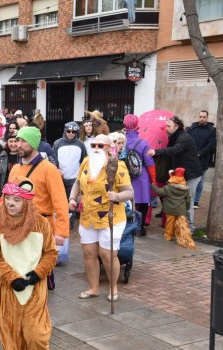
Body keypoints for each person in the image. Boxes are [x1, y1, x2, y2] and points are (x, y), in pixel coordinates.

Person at [0, 179, 58, 350]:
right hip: (8, 290)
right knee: (12, 336)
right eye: (8, 199)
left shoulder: (40, 223)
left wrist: (37, 273)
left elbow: (50, 253)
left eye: (16, 200)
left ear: (26, 202)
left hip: (35, 288)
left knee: (35, 334)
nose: (10, 204)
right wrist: (10, 277)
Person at [69, 134, 134, 302]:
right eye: (93, 145)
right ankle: (93, 288)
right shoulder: (86, 162)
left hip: (110, 217)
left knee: (107, 254)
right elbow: (77, 183)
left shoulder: (117, 166)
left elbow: (130, 192)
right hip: (88, 216)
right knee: (89, 253)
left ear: (108, 147)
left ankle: (113, 289)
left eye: (100, 145)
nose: (96, 149)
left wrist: (117, 197)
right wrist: (72, 199)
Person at [8, 126, 69, 246]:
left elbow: (60, 201)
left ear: (33, 143)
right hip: (17, 226)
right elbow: (7, 198)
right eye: (17, 140)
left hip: (41, 228)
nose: (18, 144)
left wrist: (61, 231)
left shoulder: (49, 169)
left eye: (23, 141)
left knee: (40, 264)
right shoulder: (15, 168)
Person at [146, 116, 202, 232]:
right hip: (182, 173)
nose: (166, 128)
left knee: (188, 201)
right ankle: (181, 226)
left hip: (192, 174)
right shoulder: (174, 136)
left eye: (168, 126)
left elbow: (174, 150)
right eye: (166, 126)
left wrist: (155, 151)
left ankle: (190, 228)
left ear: (176, 127)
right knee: (180, 201)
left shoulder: (183, 138)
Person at [123, 114, 156, 236]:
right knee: (142, 203)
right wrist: (153, 180)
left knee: (126, 202)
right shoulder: (143, 143)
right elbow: (150, 163)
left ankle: (127, 226)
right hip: (142, 177)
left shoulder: (120, 142)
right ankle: (139, 228)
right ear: (137, 126)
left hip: (125, 176)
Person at [151, 168, 196, 249]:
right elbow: (188, 200)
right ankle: (181, 236)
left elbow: (159, 192)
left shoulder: (168, 187)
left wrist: (153, 186)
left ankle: (168, 236)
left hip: (170, 210)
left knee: (169, 223)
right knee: (181, 223)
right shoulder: (186, 189)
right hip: (181, 210)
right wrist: (186, 208)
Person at [186, 110, 216, 208]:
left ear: (207, 118)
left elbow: (211, 144)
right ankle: (188, 199)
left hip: (203, 159)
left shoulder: (211, 130)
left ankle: (196, 201)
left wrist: (200, 153)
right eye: (200, 116)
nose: (202, 119)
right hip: (191, 158)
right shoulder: (192, 128)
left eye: (204, 117)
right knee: (189, 179)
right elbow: (188, 141)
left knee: (200, 180)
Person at [53, 122, 87, 200]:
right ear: (65, 131)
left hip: (74, 179)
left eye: (73, 132)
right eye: (68, 131)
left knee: (72, 201)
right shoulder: (57, 143)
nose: (71, 133)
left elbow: (84, 161)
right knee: (60, 200)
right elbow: (53, 160)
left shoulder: (81, 144)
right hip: (60, 178)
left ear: (76, 132)